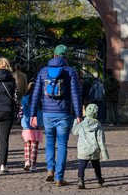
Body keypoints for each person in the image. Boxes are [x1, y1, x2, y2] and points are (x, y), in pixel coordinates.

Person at [30, 44, 82, 186]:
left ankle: (50, 170)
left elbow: (35, 94)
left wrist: (33, 114)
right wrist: (78, 115)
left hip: (47, 112)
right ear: (65, 57)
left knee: (50, 142)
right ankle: (59, 178)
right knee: (62, 144)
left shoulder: (43, 71)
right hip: (64, 113)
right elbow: (75, 95)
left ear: (53, 55)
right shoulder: (70, 72)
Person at [72, 103, 109, 189]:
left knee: (81, 166)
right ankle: (99, 178)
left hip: (83, 150)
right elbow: (101, 139)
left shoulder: (81, 124)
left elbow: (74, 132)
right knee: (96, 166)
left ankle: (80, 180)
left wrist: (75, 121)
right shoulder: (98, 125)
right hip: (94, 149)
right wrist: (104, 152)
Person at [20, 82, 42, 172]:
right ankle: (33, 165)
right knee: (35, 145)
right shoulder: (40, 98)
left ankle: (27, 162)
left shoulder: (24, 98)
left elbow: (21, 109)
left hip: (26, 122)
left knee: (27, 144)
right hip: (37, 122)